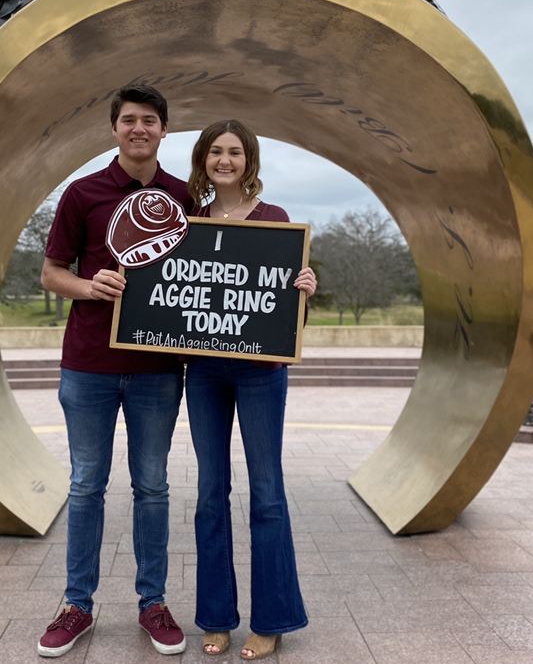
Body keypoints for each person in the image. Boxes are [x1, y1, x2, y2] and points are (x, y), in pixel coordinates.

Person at [38, 84, 191, 658]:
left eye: (150, 120)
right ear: (114, 129)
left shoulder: (185, 197)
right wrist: (88, 286)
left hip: (157, 370)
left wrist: (293, 279)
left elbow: (222, 267)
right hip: (89, 367)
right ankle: (78, 604)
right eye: (129, 120)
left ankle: (152, 602)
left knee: (152, 487)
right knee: (85, 486)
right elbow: (51, 272)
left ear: (164, 131)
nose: (139, 129)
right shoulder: (83, 194)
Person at [185, 119, 315, 660]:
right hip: (204, 372)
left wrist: (304, 290)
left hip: (261, 371)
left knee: (267, 494)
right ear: (203, 159)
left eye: (234, 152)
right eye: (215, 151)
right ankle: (215, 618)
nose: (224, 160)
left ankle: (273, 619)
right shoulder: (185, 222)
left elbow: (289, 315)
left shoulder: (274, 221)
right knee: (211, 494)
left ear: (249, 160)